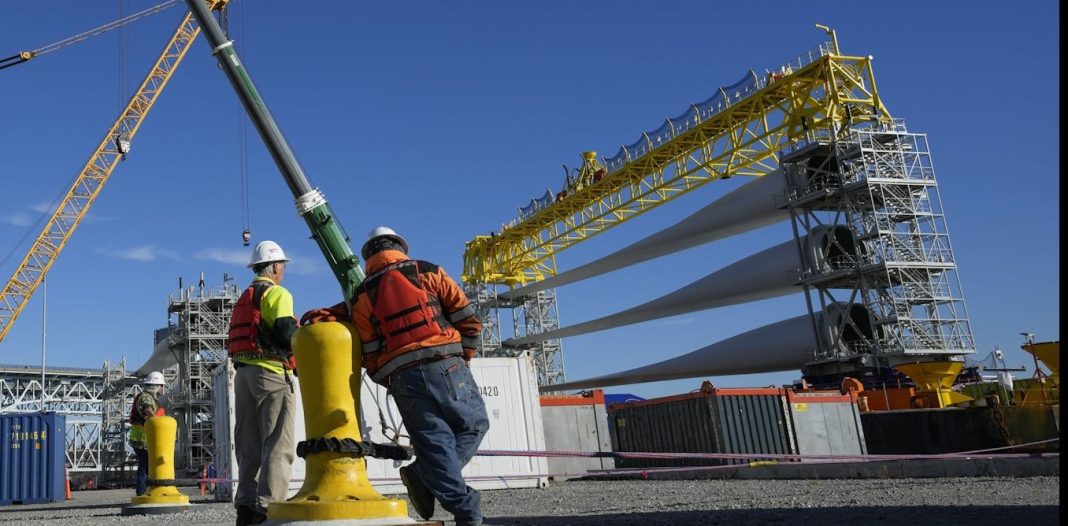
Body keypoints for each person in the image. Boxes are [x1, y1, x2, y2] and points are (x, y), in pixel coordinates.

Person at [302, 226, 489, 526]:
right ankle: (427, 476)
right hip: (447, 366)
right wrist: (463, 358)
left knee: (435, 444)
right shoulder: (428, 271)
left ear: (368, 257)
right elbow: (467, 318)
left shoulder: (362, 296)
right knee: (474, 425)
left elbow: (370, 352)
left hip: (404, 379)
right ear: (400, 247)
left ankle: (464, 509)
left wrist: (391, 379)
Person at [226, 240, 299, 526]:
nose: (284, 271)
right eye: (283, 266)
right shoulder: (276, 293)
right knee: (278, 442)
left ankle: (246, 507)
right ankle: (269, 508)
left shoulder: (244, 298)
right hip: (270, 373)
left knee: (249, 444)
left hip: (243, 376)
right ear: (275, 266)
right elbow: (285, 331)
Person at [129, 371, 166, 496]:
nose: (162, 389)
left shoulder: (149, 398)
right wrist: (157, 422)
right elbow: (147, 409)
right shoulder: (146, 397)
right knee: (145, 466)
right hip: (141, 439)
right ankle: (142, 493)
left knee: (146, 466)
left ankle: (146, 491)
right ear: (158, 386)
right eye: (162, 386)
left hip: (143, 439)